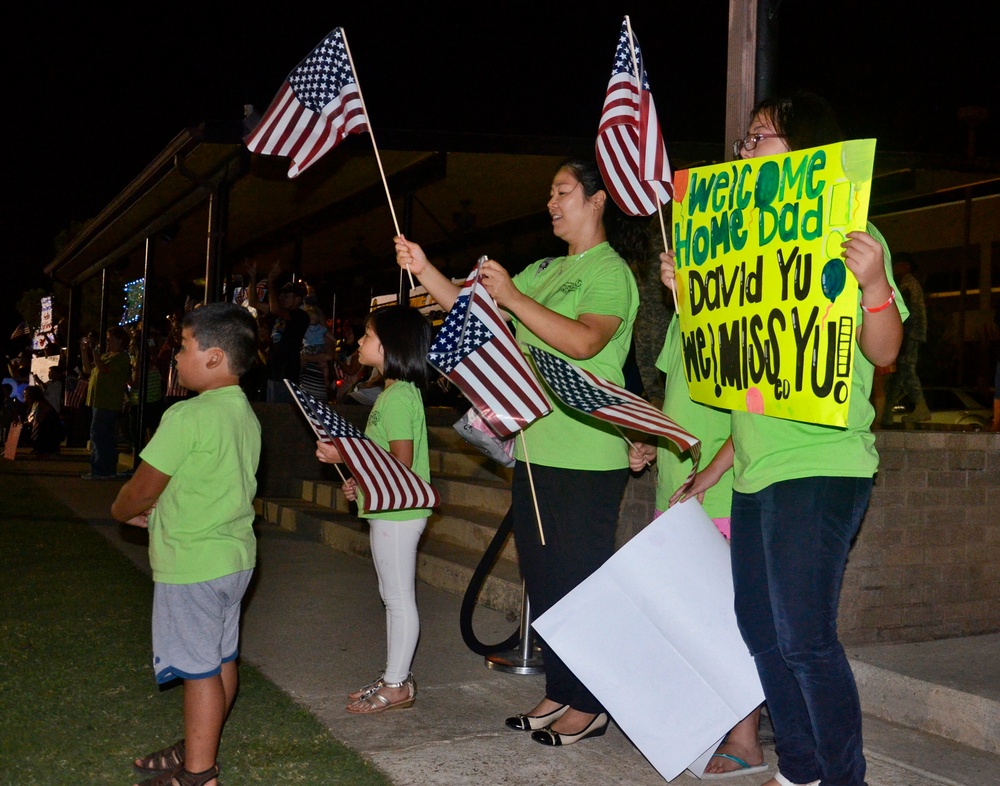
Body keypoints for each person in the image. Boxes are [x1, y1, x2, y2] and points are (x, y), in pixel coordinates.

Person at [663, 92, 905, 786]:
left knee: (804, 636)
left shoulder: (855, 236)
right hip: (754, 476)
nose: (746, 148)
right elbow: (757, 382)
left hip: (824, 466)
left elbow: (883, 353)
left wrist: (875, 284)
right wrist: (693, 296)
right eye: (745, 138)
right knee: (761, 631)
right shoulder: (745, 248)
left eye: (761, 136)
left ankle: (842, 775)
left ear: (807, 152)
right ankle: (798, 767)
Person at [395, 158, 646, 746]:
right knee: (545, 578)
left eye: (563, 192)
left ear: (597, 199)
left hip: (588, 452)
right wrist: (427, 268)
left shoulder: (611, 272)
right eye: (550, 195)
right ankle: (562, 687)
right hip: (536, 446)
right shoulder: (543, 268)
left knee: (578, 579)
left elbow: (585, 340)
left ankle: (591, 703)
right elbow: (474, 313)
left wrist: (512, 296)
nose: (552, 203)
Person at [110, 302, 261, 786]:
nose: (175, 356)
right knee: (220, 660)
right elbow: (209, 485)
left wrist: (120, 509)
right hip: (234, 558)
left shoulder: (187, 415)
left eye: (183, 346)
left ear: (214, 357)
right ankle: (199, 745)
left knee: (198, 671)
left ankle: (198, 774)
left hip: (193, 563)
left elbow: (142, 486)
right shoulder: (245, 415)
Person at [628, 312, 766, 778]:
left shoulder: (743, 314)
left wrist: (714, 471)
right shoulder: (678, 320)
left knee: (730, 622)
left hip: (721, 493)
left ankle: (746, 737)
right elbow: (676, 403)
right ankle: (705, 724)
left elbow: (758, 406)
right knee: (684, 621)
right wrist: (651, 441)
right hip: (676, 488)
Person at [315, 305, 434, 714]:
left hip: (399, 514)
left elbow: (399, 463)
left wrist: (346, 453)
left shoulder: (399, 396)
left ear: (389, 345)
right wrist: (359, 478)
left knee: (398, 598)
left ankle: (398, 683)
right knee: (392, 595)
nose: (359, 342)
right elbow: (385, 463)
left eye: (366, 335)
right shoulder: (393, 393)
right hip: (391, 511)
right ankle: (393, 675)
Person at [246, 262, 309, 404]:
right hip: (273, 370)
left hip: (287, 372)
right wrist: (252, 278)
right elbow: (253, 302)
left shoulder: (301, 316)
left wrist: (271, 281)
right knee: (272, 408)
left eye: (288, 295)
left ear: (298, 299)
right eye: (283, 294)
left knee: (282, 411)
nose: (283, 297)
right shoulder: (280, 313)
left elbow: (275, 308)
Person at [882, 252, 929, 425]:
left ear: (906, 265)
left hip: (909, 333)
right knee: (898, 374)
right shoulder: (909, 284)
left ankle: (921, 407)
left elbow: (903, 311)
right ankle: (886, 413)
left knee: (906, 370)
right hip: (910, 333)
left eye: (898, 264)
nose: (894, 268)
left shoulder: (908, 285)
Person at [81, 326, 131, 479]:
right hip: (99, 400)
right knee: (105, 436)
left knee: (99, 435)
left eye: (110, 339)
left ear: (120, 340)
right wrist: (84, 351)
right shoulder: (108, 355)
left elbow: (103, 369)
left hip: (107, 401)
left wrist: (94, 350)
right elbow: (88, 369)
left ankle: (100, 470)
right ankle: (107, 470)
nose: (107, 342)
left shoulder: (121, 357)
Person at [298, 304, 334, 400]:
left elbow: (329, 356)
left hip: (316, 379)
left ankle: (326, 381)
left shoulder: (323, 335)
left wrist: (306, 357)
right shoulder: (304, 330)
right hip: (304, 379)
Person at [22, 384, 65, 456]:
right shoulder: (35, 404)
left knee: (26, 429)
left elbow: (38, 421)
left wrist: (23, 424)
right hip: (48, 430)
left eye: (25, 394)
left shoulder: (40, 405)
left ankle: (44, 448)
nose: (24, 396)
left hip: (52, 431)